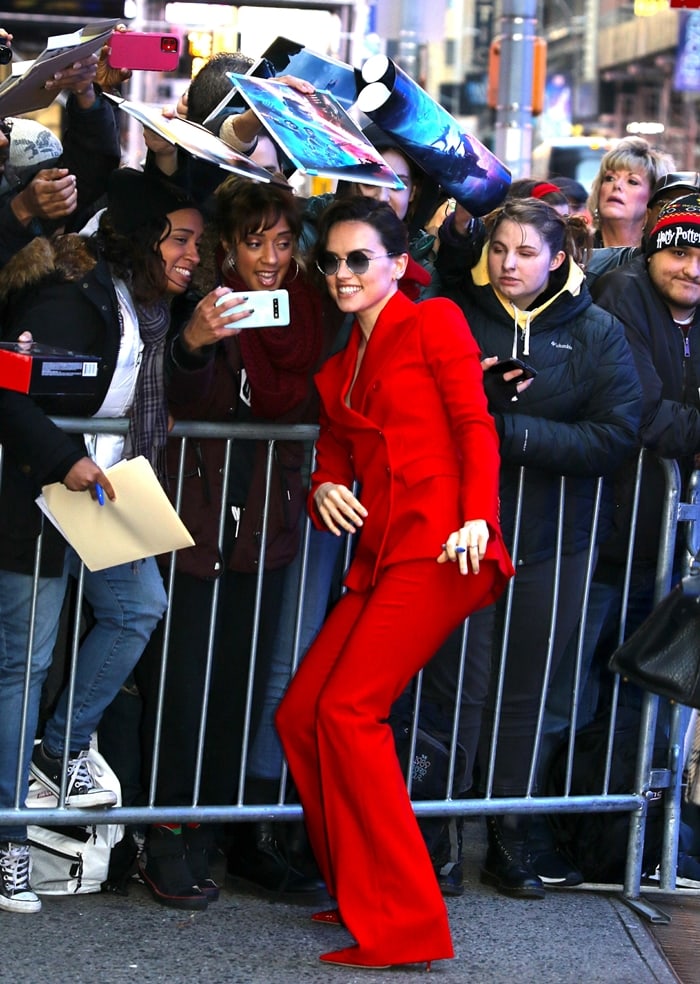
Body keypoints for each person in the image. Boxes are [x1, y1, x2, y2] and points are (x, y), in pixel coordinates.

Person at [275, 196, 514, 970]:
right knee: (302, 714)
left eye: (359, 260)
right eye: (333, 261)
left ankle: (407, 921)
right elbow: (339, 453)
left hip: (444, 546)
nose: (342, 274)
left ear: (397, 265)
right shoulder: (340, 367)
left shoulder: (434, 320)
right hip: (379, 556)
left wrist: (477, 516)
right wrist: (321, 486)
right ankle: (360, 892)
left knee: (347, 712)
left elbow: (473, 423)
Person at [0, 166, 204, 914]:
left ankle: (60, 749)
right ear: (144, 238)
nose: (192, 254)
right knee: (24, 666)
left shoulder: (142, 304)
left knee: (138, 605)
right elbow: (9, 390)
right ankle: (8, 844)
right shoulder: (66, 293)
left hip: (99, 489)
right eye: (181, 239)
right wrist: (66, 459)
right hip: (38, 490)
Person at [435, 197, 641, 898]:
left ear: (558, 259)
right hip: (462, 533)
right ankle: (437, 826)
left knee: (526, 692)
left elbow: (617, 434)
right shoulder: (455, 313)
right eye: (499, 250)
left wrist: (514, 435)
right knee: (457, 685)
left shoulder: (597, 332)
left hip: (558, 537)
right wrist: (478, 411)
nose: (508, 263)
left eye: (525, 252)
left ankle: (508, 831)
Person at [134, 175, 324, 910]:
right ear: (227, 249)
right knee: (185, 682)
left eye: (282, 242)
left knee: (243, 682)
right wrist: (194, 343)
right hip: (195, 518)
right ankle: (167, 835)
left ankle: (228, 830)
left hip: (267, 521)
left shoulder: (310, 309)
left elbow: (309, 396)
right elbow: (181, 397)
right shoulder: (198, 300)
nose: (270, 258)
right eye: (254, 243)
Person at [588, 135, 674, 248]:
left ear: (653, 198)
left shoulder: (661, 256)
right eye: (610, 178)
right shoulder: (574, 249)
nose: (617, 185)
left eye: (632, 181)